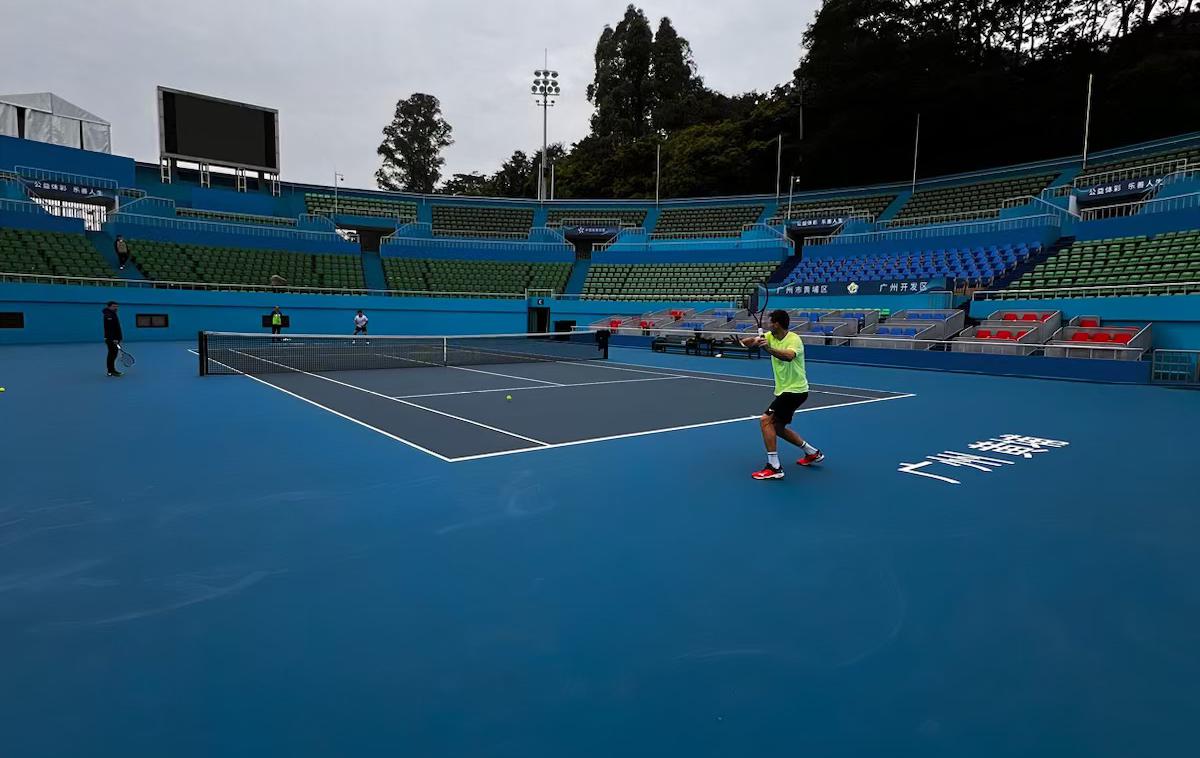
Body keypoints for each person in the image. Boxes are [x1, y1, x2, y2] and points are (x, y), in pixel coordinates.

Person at [741, 309, 824, 480]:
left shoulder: (794, 339)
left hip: (795, 390)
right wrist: (752, 341)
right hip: (785, 391)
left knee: (765, 420)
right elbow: (746, 343)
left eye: (771, 322)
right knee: (777, 427)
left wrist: (768, 349)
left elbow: (788, 356)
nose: (768, 325)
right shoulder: (769, 336)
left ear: (777, 324)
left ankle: (774, 467)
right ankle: (812, 452)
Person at [102, 301, 123, 377]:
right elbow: (110, 329)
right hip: (112, 339)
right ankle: (111, 371)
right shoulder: (108, 315)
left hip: (114, 339)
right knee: (112, 355)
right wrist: (114, 339)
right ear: (109, 307)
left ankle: (111, 371)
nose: (116, 308)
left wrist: (118, 338)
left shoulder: (113, 314)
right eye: (114, 306)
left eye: (117, 306)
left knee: (113, 355)